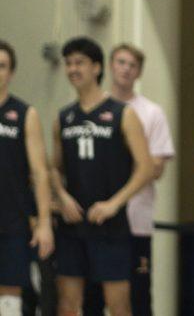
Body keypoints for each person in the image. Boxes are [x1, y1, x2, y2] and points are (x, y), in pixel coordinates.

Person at [50, 36, 154, 316]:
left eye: (79, 63)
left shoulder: (123, 114)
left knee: (118, 305)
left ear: (96, 68)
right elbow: (54, 169)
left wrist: (114, 203)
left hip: (110, 227)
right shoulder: (63, 117)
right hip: (72, 225)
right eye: (69, 63)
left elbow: (145, 168)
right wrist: (61, 198)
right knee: (68, 304)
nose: (73, 69)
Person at [83, 43, 175, 316]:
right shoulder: (91, 110)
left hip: (135, 222)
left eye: (132, 65)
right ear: (109, 67)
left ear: (139, 72)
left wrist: (125, 162)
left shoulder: (151, 113)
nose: (125, 69)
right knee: (93, 298)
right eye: (121, 62)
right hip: (97, 220)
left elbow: (156, 167)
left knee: (138, 298)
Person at [0, 40, 54, 316]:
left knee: (10, 292)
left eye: (2, 66)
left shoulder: (24, 114)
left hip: (12, 219)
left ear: (11, 73)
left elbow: (40, 173)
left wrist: (44, 223)